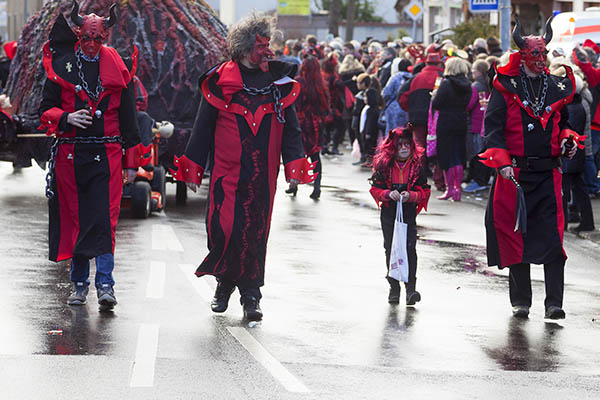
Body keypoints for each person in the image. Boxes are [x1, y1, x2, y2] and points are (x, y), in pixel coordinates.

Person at [171, 13, 316, 321]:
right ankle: (224, 283)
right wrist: (193, 166)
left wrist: (295, 164)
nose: (268, 51)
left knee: (254, 233)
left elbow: (291, 129)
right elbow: (203, 126)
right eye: (261, 45)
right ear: (245, 48)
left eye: (268, 44)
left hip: (263, 174)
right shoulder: (221, 81)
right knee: (223, 230)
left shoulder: (278, 84)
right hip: (227, 173)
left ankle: (251, 295)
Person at [39, 1, 144, 310]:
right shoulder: (62, 66)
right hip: (71, 156)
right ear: (78, 35)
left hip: (108, 153)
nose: (93, 45)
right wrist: (66, 117)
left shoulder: (119, 66)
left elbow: (129, 119)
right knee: (76, 219)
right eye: (87, 38)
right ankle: (80, 284)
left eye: (98, 39)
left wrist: (132, 163)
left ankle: (106, 284)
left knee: (104, 219)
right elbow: (44, 109)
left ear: (105, 37)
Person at [479, 18, 580, 320]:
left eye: (543, 54)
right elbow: (492, 129)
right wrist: (503, 164)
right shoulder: (505, 87)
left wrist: (568, 141)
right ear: (523, 55)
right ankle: (521, 301)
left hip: (549, 175)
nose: (540, 60)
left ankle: (554, 304)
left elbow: (563, 125)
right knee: (515, 236)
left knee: (552, 238)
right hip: (516, 176)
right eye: (534, 54)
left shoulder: (556, 86)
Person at [369, 125, 431, 305]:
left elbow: (425, 191)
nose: (404, 148)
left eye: (407, 145)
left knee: (410, 249)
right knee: (391, 248)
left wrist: (412, 196)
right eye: (400, 145)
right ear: (392, 147)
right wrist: (387, 194)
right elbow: (375, 188)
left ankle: (411, 289)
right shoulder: (384, 166)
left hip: (408, 214)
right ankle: (394, 288)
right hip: (389, 214)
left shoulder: (417, 168)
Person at [285, 56, 329, 199]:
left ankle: (294, 185)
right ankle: (317, 186)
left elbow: (292, 102)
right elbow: (325, 106)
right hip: (315, 123)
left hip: (299, 121)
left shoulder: (298, 82)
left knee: (298, 154)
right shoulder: (320, 84)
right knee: (315, 155)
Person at [431, 57, 472, 201]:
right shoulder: (468, 84)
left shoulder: (446, 83)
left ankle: (449, 189)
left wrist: (434, 96)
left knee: (446, 155)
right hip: (461, 120)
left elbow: (436, 103)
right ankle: (457, 189)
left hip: (446, 121)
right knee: (458, 155)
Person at [573, 44, 600, 197]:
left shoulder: (596, 76)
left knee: (590, 158)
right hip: (596, 124)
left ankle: (593, 186)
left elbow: (585, 66)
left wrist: (576, 50)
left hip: (596, 125)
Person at [464, 59, 491, 193]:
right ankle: (483, 180)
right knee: (484, 152)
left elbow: (469, 105)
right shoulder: (489, 83)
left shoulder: (475, 86)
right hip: (485, 122)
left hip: (475, 124)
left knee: (476, 153)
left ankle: (478, 181)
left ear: (478, 71)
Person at [321, 54, 346, 155]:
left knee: (327, 127)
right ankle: (333, 147)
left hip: (326, 105)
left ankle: (325, 146)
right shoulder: (332, 77)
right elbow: (339, 86)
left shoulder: (323, 75)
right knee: (337, 126)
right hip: (333, 106)